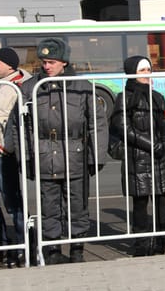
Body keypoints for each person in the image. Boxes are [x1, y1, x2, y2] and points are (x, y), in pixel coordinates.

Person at [11, 38, 108, 264]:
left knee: (77, 205)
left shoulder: (82, 87)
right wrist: (24, 157)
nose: (47, 67)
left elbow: (97, 123)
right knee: (48, 206)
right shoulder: (30, 88)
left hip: (75, 155)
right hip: (43, 156)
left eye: (52, 62)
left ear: (64, 62)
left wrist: (97, 156)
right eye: (44, 62)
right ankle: (52, 248)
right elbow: (19, 126)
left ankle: (77, 248)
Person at [109, 56, 165, 257]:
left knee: (160, 201)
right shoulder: (124, 98)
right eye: (142, 71)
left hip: (160, 158)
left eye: (148, 69)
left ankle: (161, 240)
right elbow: (123, 127)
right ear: (132, 73)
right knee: (140, 203)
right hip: (137, 158)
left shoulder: (158, 96)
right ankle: (141, 244)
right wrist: (151, 145)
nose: (147, 74)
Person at [0, 47, 31, 267]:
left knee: (12, 202)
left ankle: (22, 245)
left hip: (2, 153)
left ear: (9, 65)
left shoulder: (18, 86)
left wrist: (7, 147)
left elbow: (14, 121)